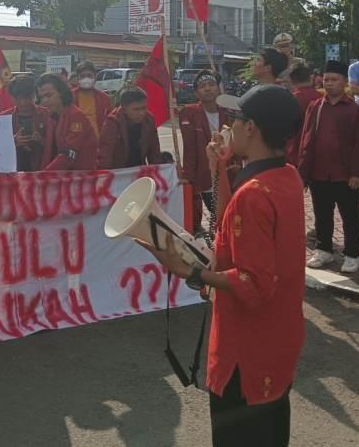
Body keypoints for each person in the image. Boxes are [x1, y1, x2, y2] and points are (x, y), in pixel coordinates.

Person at [141, 84, 305, 447]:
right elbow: (230, 227)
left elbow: (254, 284)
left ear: (252, 128)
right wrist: (219, 166)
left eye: (236, 119)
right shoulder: (287, 176)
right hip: (278, 336)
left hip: (246, 348)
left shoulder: (254, 193)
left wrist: (192, 272)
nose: (229, 126)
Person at [300, 61, 359, 274]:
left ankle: (352, 255)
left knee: (351, 217)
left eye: (334, 80)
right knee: (321, 215)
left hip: (345, 175)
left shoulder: (355, 111)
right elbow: (306, 139)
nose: (329, 83)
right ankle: (324, 250)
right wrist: (304, 173)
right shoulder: (315, 107)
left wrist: (357, 173)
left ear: (345, 82)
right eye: (326, 79)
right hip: (319, 173)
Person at [179, 70, 225, 236]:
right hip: (205, 172)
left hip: (227, 170)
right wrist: (188, 175)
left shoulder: (228, 111)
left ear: (218, 88)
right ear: (196, 92)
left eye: (211, 84)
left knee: (227, 212)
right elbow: (190, 148)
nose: (207, 89)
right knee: (216, 211)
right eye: (202, 86)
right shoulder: (189, 113)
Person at [35, 73, 97, 170]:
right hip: (60, 174)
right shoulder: (52, 116)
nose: (44, 101)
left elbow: (68, 154)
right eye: (41, 97)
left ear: (61, 93)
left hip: (79, 175)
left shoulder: (76, 116)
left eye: (49, 95)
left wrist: (44, 174)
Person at [97, 88, 164, 169]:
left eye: (144, 108)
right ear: (124, 109)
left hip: (140, 169)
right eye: (136, 109)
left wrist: (158, 171)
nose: (142, 113)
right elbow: (104, 156)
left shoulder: (149, 119)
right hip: (118, 171)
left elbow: (154, 152)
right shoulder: (112, 122)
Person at [0, 74, 52, 172]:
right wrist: (12, 142)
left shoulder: (47, 115)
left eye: (27, 98)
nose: (23, 103)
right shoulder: (3, 118)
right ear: (11, 97)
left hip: (41, 169)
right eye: (18, 99)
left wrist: (40, 140)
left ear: (33, 95)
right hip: (13, 171)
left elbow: (57, 146)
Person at [285, 62, 321, 165]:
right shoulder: (321, 98)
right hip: (317, 150)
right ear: (311, 78)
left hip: (294, 152)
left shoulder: (290, 99)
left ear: (292, 80)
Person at [71, 61, 112, 136]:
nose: (86, 79)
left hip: (98, 140)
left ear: (95, 77)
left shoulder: (104, 98)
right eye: (82, 76)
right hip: (77, 139)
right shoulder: (70, 97)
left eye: (89, 75)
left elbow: (109, 123)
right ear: (77, 78)